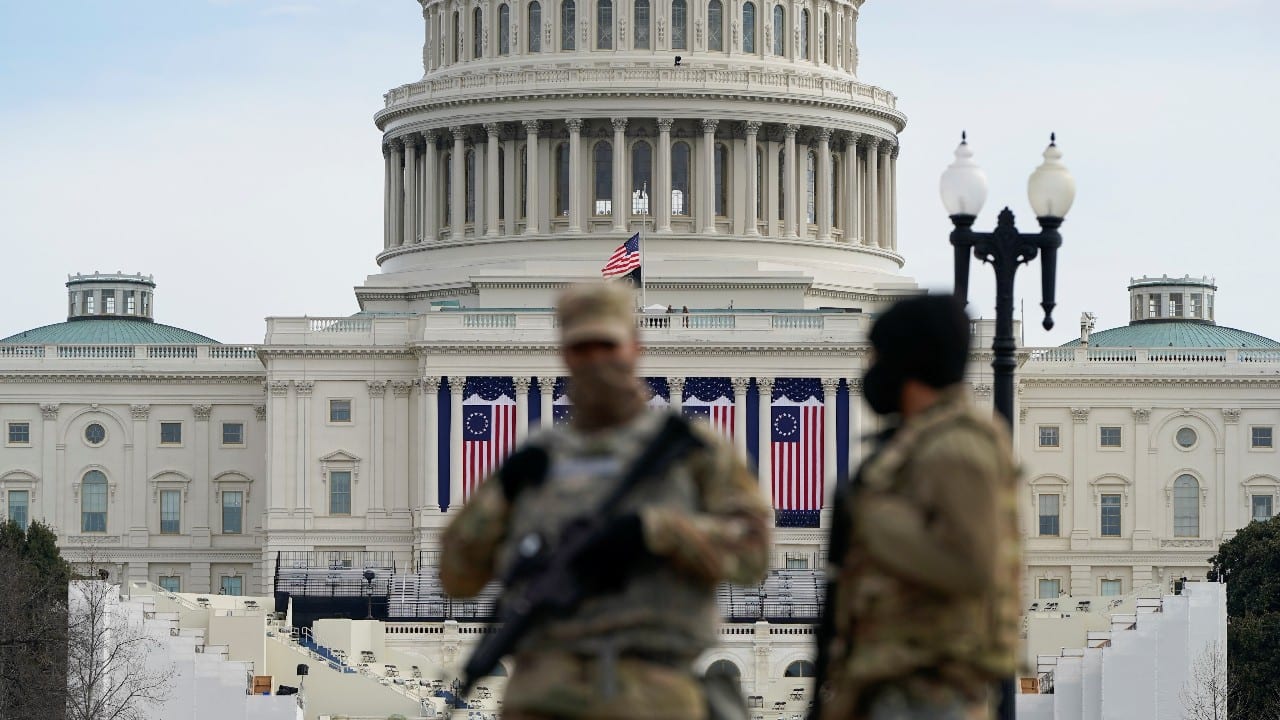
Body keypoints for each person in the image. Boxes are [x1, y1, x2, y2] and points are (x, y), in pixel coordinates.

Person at [440, 281, 772, 720]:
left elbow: (754, 554)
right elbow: (456, 578)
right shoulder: (534, 461)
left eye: (606, 345)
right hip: (543, 692)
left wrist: (655, 531)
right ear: (564, 354)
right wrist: (500, 495)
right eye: (582, 348)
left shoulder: (692, 450)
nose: (595, 361)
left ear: (635, 347)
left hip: (651, 690)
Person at [813, 295, 1021, 720]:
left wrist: (872, 518)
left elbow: (973, 564)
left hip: (929, 690)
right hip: (894, 682)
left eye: (877, 356)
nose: (870, 369)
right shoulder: (915, 444)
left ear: (905, 362)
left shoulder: (956, 446)